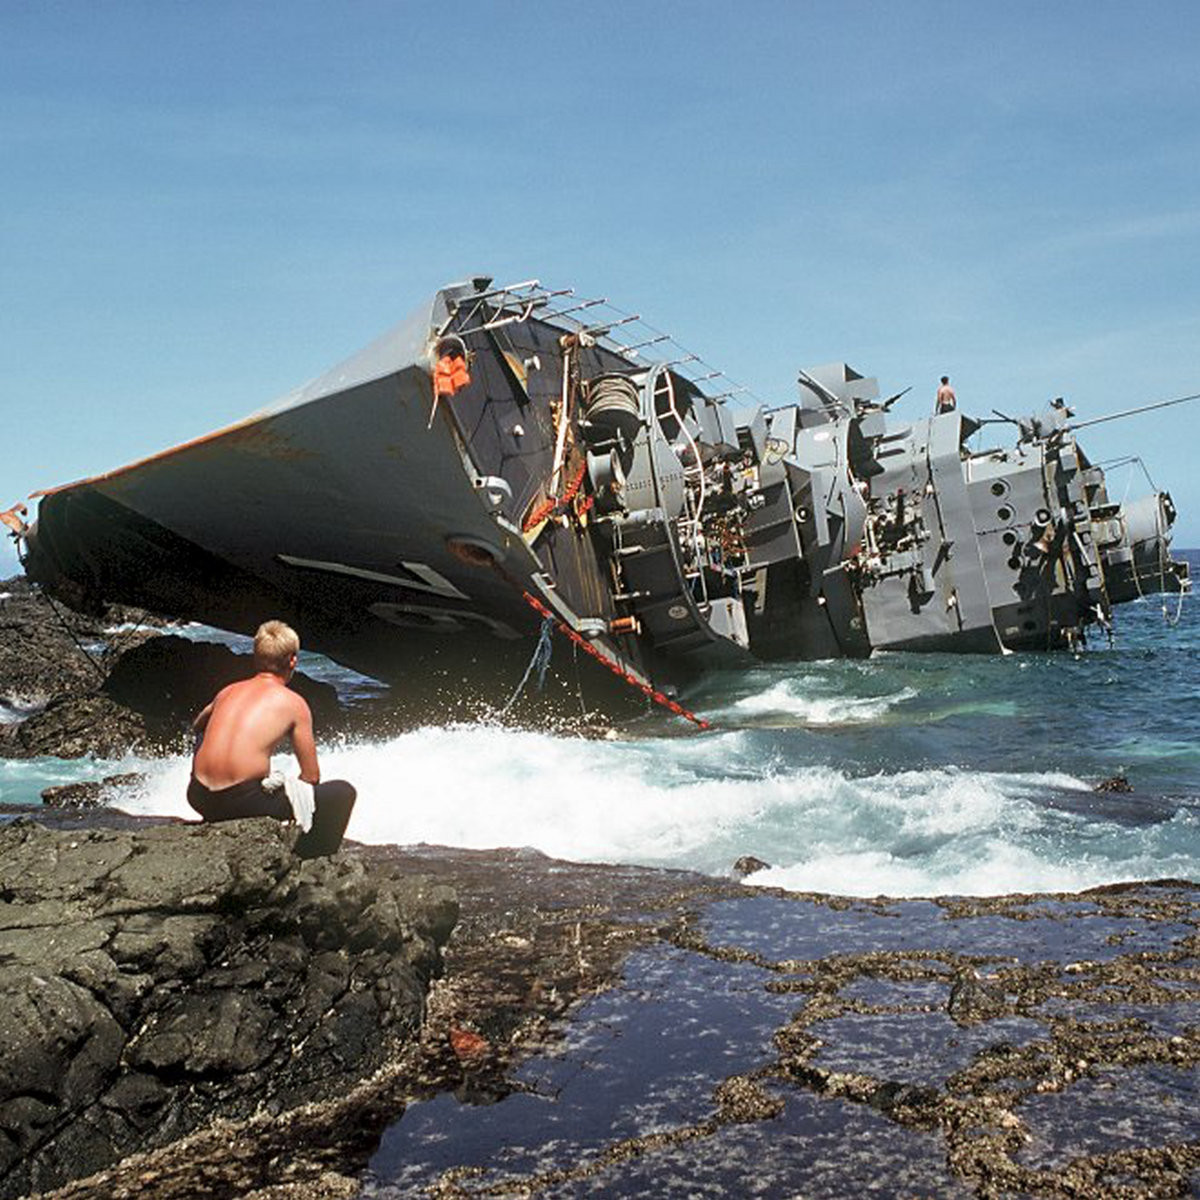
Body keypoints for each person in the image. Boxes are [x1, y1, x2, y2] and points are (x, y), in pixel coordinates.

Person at [188, 620, 356, 857]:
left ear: (255, 657)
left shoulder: (227, 691)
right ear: (292, 660)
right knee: (343, 792)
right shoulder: (295, 704)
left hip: (198, 796)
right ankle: (312, 857)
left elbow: (198, 726)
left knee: (205, 733)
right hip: (240, 804)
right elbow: (312, 776)